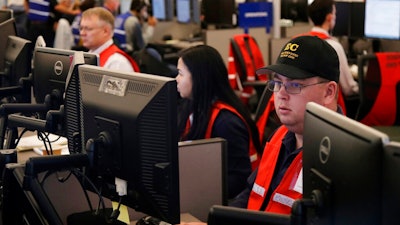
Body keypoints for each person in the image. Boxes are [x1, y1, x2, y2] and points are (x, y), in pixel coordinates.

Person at [179, 35, 341, 225]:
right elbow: (250, 195)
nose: (280, 94)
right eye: (278, 83)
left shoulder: (340, 159)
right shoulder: (280, 136)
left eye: (294, 85)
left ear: (329, 92)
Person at [176, 45, 262, 199]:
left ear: (198, 77)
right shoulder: (193, 107)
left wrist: (194, 188)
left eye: (180, 74)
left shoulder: (226, 123)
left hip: (227, 202)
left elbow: (241, 179)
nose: (176, 79)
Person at [307, 0, 359, 97]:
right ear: (329, 17)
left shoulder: (300, 41)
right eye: (334, 14)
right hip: (329, 106)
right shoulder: (333, 46)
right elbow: (348, 88)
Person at [79, 7, 139, 71]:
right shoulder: (89, 56)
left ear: (105, 31)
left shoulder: (117, 63)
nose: (82, 33)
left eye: (88, 29)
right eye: (81, 28)